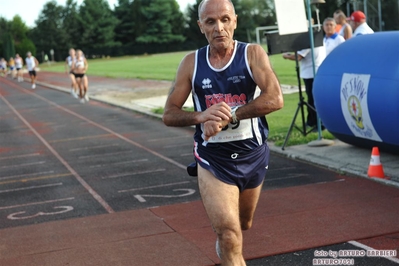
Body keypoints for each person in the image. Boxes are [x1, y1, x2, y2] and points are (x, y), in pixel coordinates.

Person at [163, 0, 283, 264]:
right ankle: (227, 247)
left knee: (244, 223)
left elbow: (275, 98)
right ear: (200, 26)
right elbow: (169, 113)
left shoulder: (252, 54)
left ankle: (227, 246)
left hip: (252, 154)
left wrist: (232, 115)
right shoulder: (191, 63)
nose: (219, 27)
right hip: (213, 158)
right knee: (229, 235)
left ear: (235, 21)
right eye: (210, 22)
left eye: (225, 19)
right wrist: (200, 115)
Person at [282, 45, 326, 128]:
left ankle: (318, 123)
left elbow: (298, 57)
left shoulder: (308, 43)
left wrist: (286, 56)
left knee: (312, 100)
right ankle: (311, 121)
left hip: (310, 74)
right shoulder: (317, 40)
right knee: (312, 99)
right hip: (314, 72)